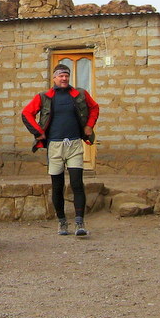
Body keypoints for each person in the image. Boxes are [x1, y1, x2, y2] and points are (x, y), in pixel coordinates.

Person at [21, 64, 100, 236]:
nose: (64, 78)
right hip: (54, 146)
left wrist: (89, 126)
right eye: (60, 76)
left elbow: (94, 107)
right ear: (54, 78)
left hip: (74, 144)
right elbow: (26, 113)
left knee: (77, 183)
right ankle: (62, 221)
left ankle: (79, 222)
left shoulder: (79, 94)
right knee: (57, 186)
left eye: (66, 75)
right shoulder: (44, 97)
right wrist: (38, 132)